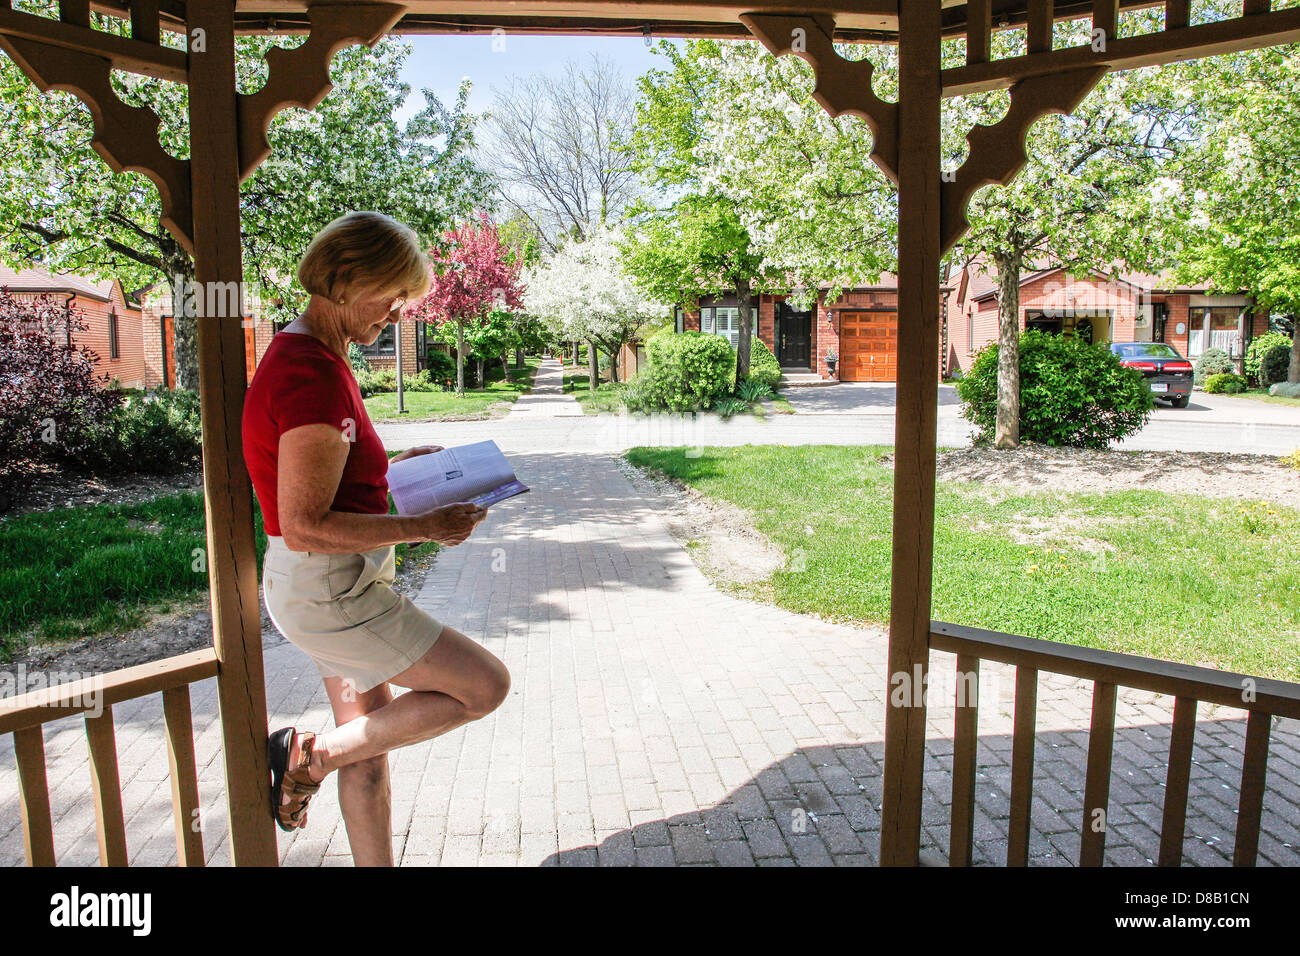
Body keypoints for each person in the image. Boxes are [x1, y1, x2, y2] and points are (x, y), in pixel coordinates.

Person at [241, 210, 509, 866]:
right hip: (335, 593)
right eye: (389, 297)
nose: (396, 313)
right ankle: (306, 756)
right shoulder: (312, 375)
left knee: (369, 746)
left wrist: (393, 468)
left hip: (322, 588)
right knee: (484, 686)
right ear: (339, 283)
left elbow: (329, 481)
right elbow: (305, 523)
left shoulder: (309, 354)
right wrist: (424, 526)